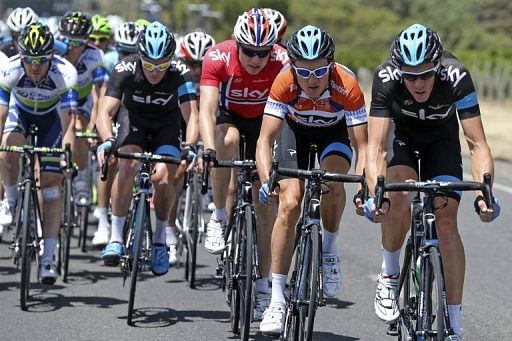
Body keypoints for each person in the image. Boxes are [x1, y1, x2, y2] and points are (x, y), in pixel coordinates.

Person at [364, 23, 499, 339]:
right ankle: (389, 273)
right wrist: (376, 191)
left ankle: (453, 323)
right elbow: (377, 147)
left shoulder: (456, 76)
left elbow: (477, 143)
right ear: (399, 71)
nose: (418, 82)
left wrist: (485, 192)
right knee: (398, 196)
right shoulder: (385, 78)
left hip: (441, 141)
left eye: (425, 74)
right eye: (409, 76)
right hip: (402, 141)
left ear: (438, 66)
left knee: (447, 223)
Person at [256, 25, 368, 335]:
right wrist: (267, 180)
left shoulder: (347, 84)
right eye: (304, 72)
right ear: (293, 66)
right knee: (290, 203)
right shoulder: (283, 82)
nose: (312, 79)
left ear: (331, 64)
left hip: (334, 134)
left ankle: (329, 249)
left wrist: (365, 184)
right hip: (296, 135)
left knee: (332, 182)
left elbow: (364, 147)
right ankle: (277, 299)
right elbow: (265, 140)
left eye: (319, 70)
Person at [199, 7, 288, 320]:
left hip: (265, 124)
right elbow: (207, 111)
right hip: (230, 118)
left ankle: (264, 287)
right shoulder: (217, 57)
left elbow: (291, 114)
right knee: (226, 141)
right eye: (249, 51)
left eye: (262, 52)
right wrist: (208, 149)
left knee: (267, 204)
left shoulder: (282, 61)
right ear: (237, 45)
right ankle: (219, 215)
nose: (256, 59)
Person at [96, 21, 199, 277]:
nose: (154, 71)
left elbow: (192, 116)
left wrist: (190, 145)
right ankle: (116, 236)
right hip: (134, 122)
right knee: (127, 164)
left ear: (170, 59)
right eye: (149, 64)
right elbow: (105, 112)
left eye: (161, 65)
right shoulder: (126, 67)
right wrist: (108, 139)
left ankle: (160, 239)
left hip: (166, 124)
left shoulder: (180, 72)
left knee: (165, 178)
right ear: (139, 56)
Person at [0, 23, 77, 283]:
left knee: (52, 187)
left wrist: (67, 156)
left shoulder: (65, 72)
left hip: (51, 120)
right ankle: (10, 201)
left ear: (51, 56)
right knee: (7, 154)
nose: (34, 66)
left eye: (41, 60)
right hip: (20, 113)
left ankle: (47, 259)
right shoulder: (9, 69)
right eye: (29, 60)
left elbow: (68, 123)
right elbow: (0, 116)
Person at [165, 30, 215, 265]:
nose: (195, 69)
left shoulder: (216, 74)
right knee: (176, 172)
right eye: (191, 63)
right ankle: (170, 231)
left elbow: (214, 113)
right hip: (177, 121)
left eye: (200, 64)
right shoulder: (175, 71)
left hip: (205, 122)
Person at [91, 21, 144, 247]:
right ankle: (103, 220)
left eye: (131, 53)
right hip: (115, 108)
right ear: (116, 49)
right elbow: (101, 97)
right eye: (122, 52)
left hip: (137, 111)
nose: (126, 58)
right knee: (110, 161)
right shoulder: (111, 61)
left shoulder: (146, 65)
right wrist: (97, 127)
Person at [58, 11, 109, 206]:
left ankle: (81, 180)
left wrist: (93, 127)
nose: (71, 46)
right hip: (58, 99)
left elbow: (100, 95)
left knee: (78, 128)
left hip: (82, 101)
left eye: (78, 42)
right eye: (67, 40)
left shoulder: (95, 55)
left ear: (87, 40)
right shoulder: (55, 49)